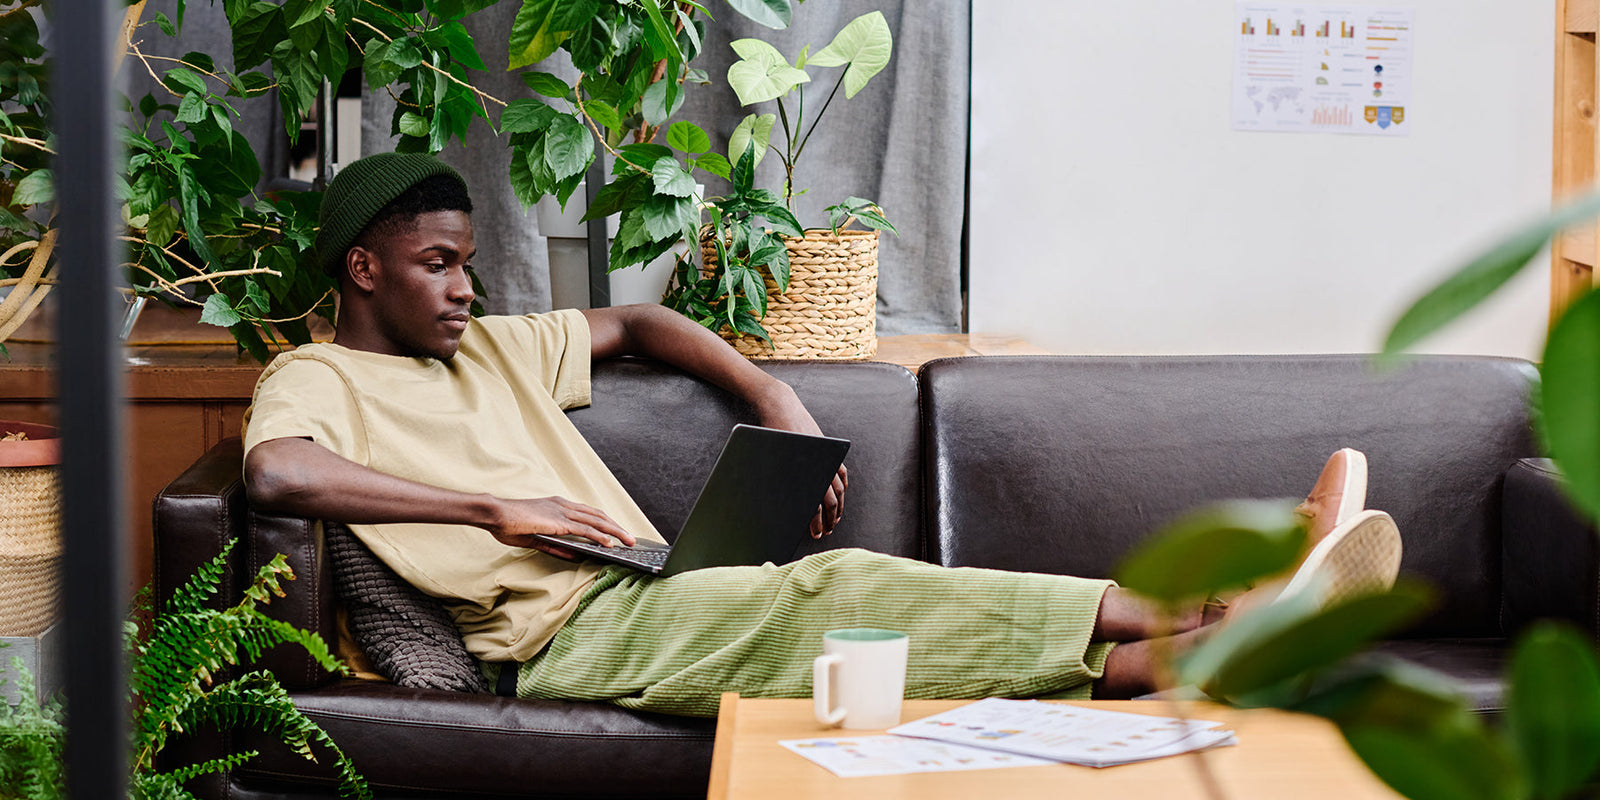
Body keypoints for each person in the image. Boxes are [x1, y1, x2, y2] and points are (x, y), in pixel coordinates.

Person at [241, 152, 1400, 716]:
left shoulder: (492, 344)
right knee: (836, 586)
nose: (463, 285)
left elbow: (642, 318)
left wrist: (778, 399)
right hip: (557, 642)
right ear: (365, 269)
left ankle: (1204, 649)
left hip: (646, 586)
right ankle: (1221, 604)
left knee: (858, 630)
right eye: (438, 264)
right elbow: (278, 470)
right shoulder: (316, 375)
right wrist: (494, 507)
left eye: (467, 261)